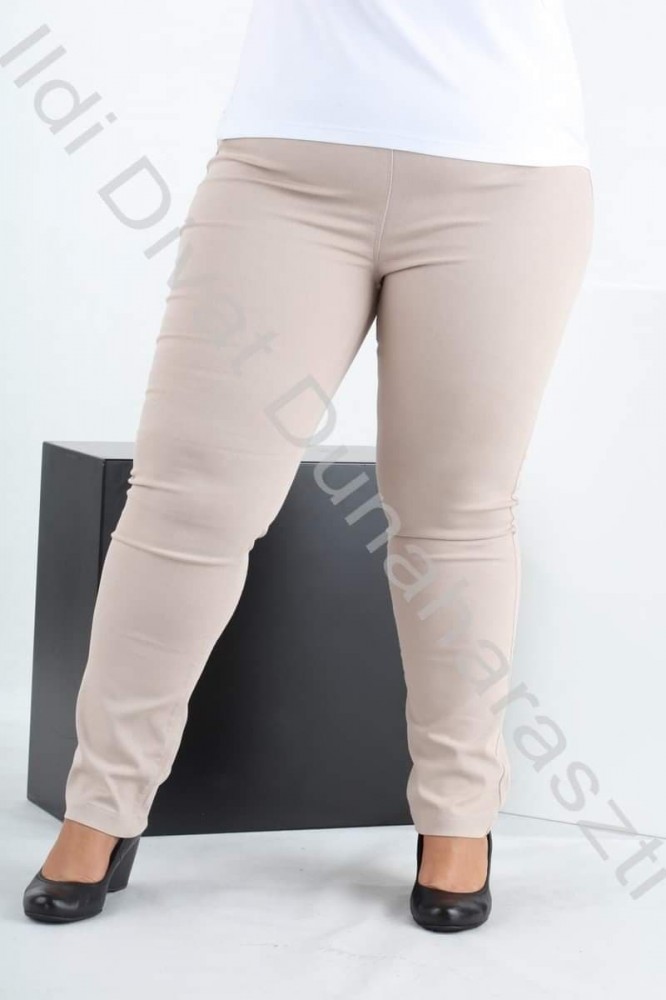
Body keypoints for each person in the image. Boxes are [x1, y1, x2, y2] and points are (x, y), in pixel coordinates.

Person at [23, 0, 594, 931]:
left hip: (507, 165)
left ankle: (458, 819)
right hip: (287, 160)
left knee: (455, 513)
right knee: (188, 499)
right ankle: (101, 808)